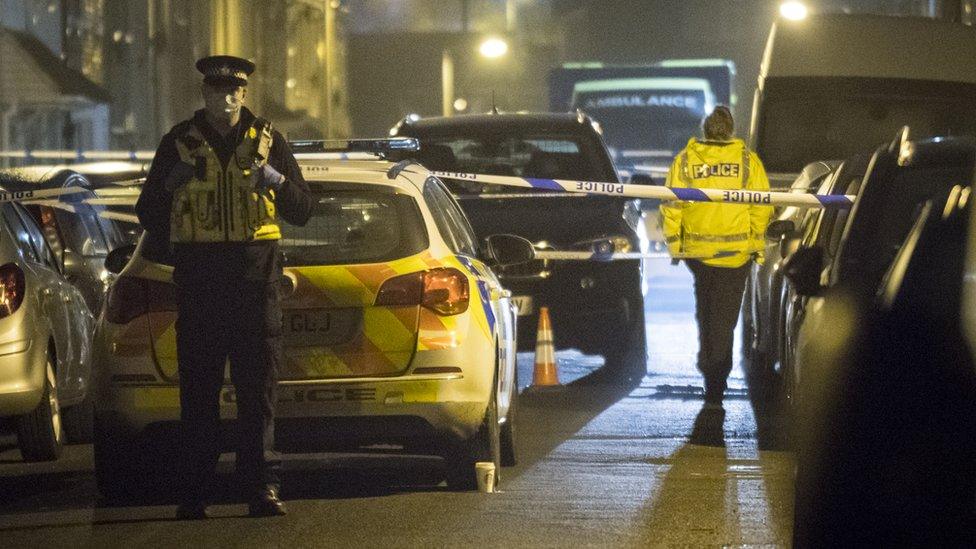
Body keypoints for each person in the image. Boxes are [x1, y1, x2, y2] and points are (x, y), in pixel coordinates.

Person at [135, 55, 312, 519]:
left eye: (235, 90)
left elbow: (302, 209)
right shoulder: (177, 143)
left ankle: (261, 489)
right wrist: (171, 186)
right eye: (217, 90)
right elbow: (148, 214)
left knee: (258, 395)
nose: (227, 98)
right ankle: (194, 491)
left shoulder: (269, 142)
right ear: (205, 95)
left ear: (245, 94)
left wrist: (275, 180)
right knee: (198, 395)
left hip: (256, 285)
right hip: (201, 286)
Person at [660, 105, 771, 409]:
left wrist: (675, 245)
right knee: (723, 321)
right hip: (736, 257)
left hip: (698, 256)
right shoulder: (748, 162)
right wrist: (756, 244)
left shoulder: (685, 161)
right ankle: (715, 383)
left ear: (705, 129)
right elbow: (761, 207)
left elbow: (671, 206)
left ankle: (712, 375)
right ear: (731, 129)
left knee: (707, 316)